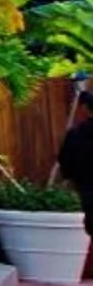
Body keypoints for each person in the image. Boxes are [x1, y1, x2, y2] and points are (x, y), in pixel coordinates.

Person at [58, 82, 93, 217]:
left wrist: (70, 177)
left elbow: (65, 159)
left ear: (85, 109)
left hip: (86, 188)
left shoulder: (75, 134)